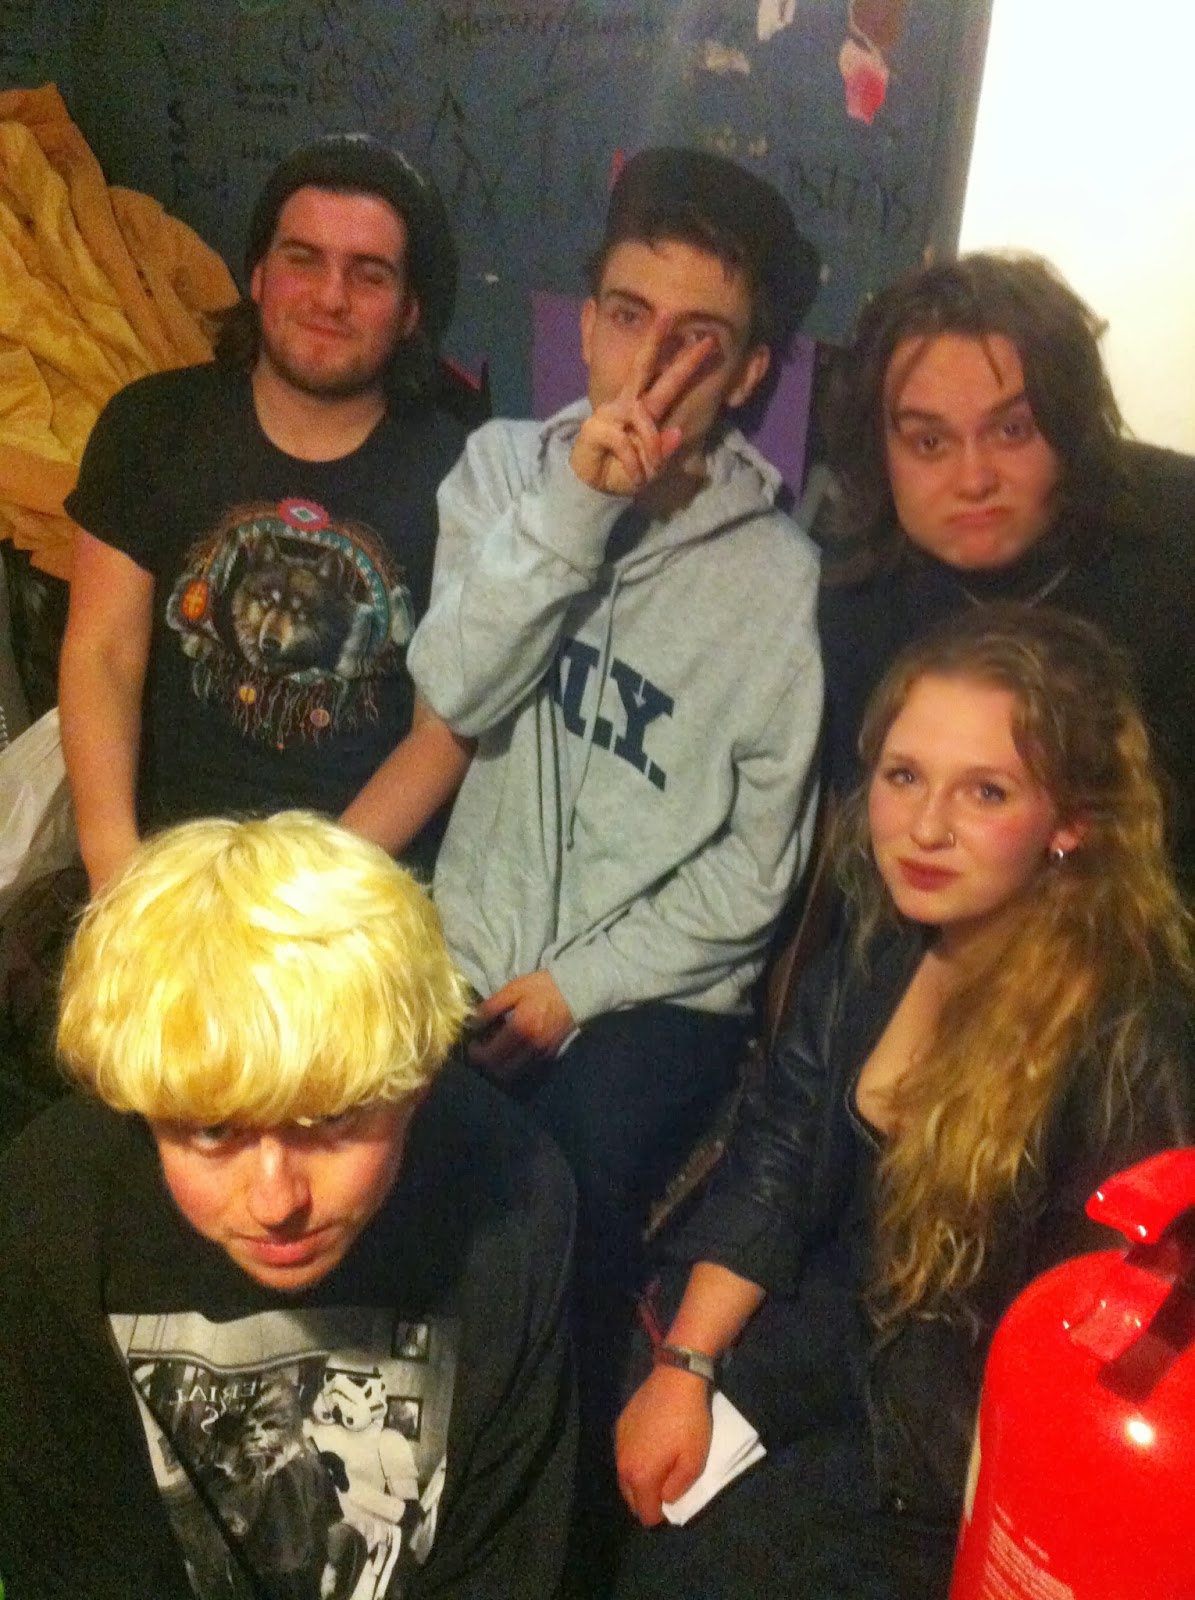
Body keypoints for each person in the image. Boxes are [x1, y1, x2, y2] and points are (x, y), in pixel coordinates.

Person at [375, 147, 823, 1449]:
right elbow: (454, 690)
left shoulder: (781, 584)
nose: (651, 366)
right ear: (584, 322)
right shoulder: (498, 474)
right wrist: (573, 507)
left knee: (554, 1193)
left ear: (749, 372)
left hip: (655, 987)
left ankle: (530, 1477)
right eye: (627, 315)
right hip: (469, 932)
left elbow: (753, 873)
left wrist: (578, 986)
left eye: (699, 340)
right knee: (377, 1159)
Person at [614, 605, 1195, 1599]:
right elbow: (774, 1160)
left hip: (949, 1431)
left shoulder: (1130, 1040)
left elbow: (1101, 1351)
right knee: (648, 1515)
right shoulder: (879, 945)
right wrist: (686, 1366)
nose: (925, 828)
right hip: (824, 1326)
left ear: (1068, 823)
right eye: (903, 776)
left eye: (985, 791)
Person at [0, 812, 576, 1598]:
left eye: (332, 1118)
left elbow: (502, 1558)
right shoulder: (52, 1202)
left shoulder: (517, 1193)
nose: (276, 1202)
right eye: (211, 1128)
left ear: (415, 1083)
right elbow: (72, 1550)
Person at [59, 135, 471, 894]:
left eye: (369, 274)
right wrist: (118, 876)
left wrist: (301, 899)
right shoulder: (151, 427)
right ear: (257, 273)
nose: (330, 297)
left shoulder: (465, 475)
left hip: (355, 885)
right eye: (302, 259)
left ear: (411, 310)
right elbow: (101, 655)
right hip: (164, 872)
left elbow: (445, 729)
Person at [816, 251, 1195, 889]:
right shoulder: (856, 588)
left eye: (1012, 430)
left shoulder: (1174, 542)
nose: (974, 479)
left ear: (1070, 425)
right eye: (929, 442)